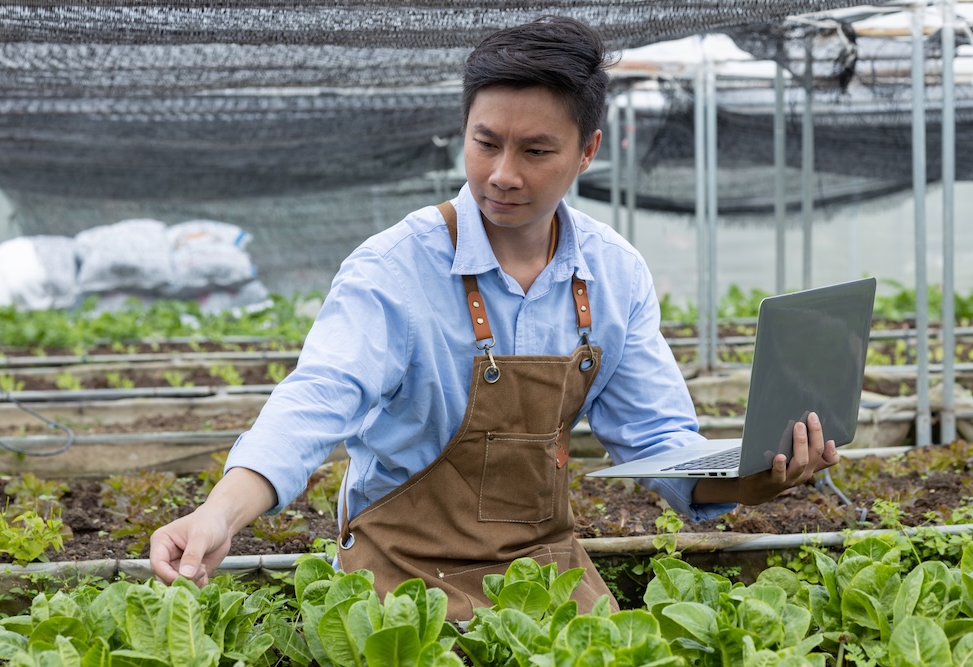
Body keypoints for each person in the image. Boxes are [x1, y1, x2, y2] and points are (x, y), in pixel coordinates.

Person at [150, 16, 839, 619]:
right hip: (402, 575)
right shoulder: (395, 267)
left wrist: (756, 475)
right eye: (486, 142)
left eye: (536, 151)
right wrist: (219, 513)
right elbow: (315, 402)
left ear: (587, 151)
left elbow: (661, 442)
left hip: (544, 569)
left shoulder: (613, 274)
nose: (503, 173)